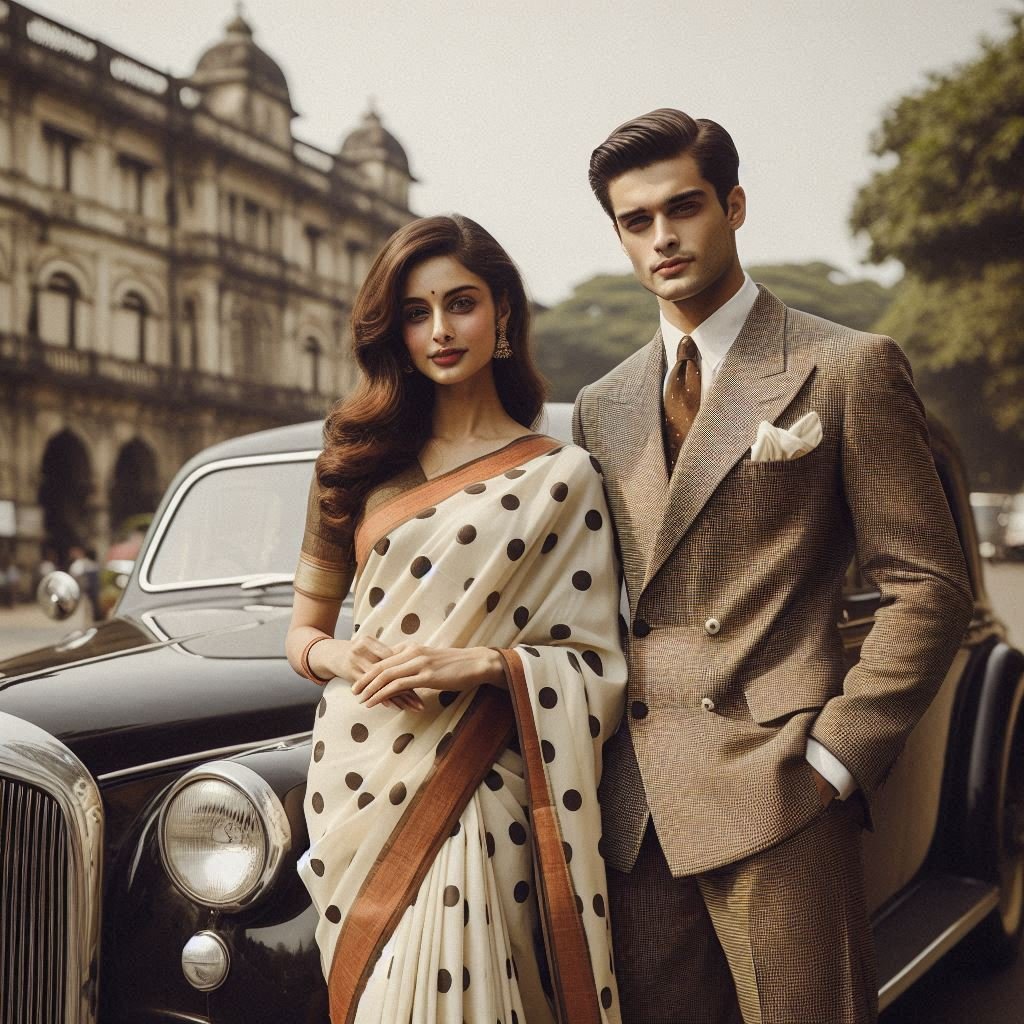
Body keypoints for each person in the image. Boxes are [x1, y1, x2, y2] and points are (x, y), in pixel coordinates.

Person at [574, 108, 973, 1024]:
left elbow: (929, 584)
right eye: (636, 221)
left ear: (735, 205)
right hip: (635, 807)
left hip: (781, 780)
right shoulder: (605, 402)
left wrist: (838, 755)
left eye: (685, 207)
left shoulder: (846, 366)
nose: (663, 237)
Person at [286, 214, 626, 1024]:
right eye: (415, 311)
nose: (439, 330)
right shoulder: (355, 462)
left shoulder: (562, 476)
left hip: (488, 781)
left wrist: (480, 665)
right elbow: (302, 634)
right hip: (362, 775)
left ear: (502, 313)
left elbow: (597, 662)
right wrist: (345, 659)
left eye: (461, 303)